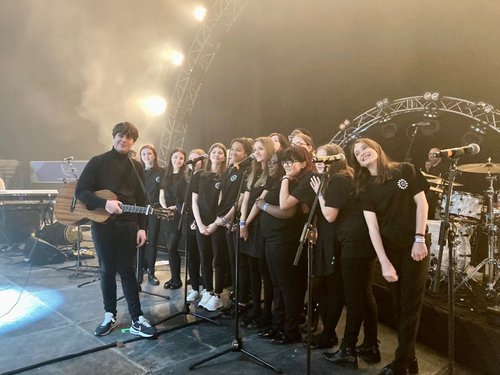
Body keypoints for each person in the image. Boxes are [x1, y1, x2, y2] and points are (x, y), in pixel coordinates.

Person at [351, 138, 429, 375]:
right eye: (356, 153)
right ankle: (410, 360)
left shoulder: (405, 170)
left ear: (376, 149)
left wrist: (419, 238)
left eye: (365, 147)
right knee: (399, 306)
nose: (362, 153)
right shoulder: (364, 188)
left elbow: (422, 204)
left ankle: (400, 363)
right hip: (390, 251)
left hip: (414, 246)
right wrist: (383, 262)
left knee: (410, 305)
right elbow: (372, 228)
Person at [75, 122, 157, 338]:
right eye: (121, 136)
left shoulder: (136, 166)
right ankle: (109, 315)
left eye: (129, 138)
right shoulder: (98, 162)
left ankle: (137, 318)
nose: (124, 140)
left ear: (133, 142)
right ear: (114, 137)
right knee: (107, 270)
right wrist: (105, 204)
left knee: (129, 272)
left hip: (129, 225)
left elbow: (142, 199)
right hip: (103, 225)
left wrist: (143, 228)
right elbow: (80, 191)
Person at [310, 144, 379, 368]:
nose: (320, 162)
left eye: (324, 158)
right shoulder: (346, 177)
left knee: (354, 297)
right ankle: (370, 344)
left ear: (335, 159)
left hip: (353, 242)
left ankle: (348, 350)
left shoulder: (339, 179)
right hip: (360, 241)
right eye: (317, 159)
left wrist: (319, 192)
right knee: (364, 293)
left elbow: (329, 216)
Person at [239, 136, 276, 328]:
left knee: (264, 272)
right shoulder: (251, 173)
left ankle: (267, 313)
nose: (257, 152)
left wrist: (246, 223)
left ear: (268, 150)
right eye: (255, 149)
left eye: (261, 148)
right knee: (252, 269)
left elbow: (259, 203)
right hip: (248, 225)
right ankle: (255, 310)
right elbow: (245, 199)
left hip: (261, 226)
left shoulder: (272, 173)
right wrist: (242, 221)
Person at [191, 142, 228, 312]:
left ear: (224, 157)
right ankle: (207, 290)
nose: (217, 154)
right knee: (204, 257)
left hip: (218, 223)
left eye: (220, 152)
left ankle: (218, 294)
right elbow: (194, 202)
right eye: (214, 151)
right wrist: (199, 223)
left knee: (218, 259)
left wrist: (214, 224)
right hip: (201, 222)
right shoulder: (199, 175)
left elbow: (227, 203)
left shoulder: (226, 176)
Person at [160, 148, 188, 290]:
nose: (178, 160)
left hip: (178, 215)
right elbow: (162, 193)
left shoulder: (185, 177)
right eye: (176, 157)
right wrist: (164, 207)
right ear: (171, 158)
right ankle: (174, 278)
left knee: (172, 247)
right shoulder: (166, 174)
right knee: (169, 249)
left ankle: (177, 280)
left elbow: (185, 198)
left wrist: (175, 208)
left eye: (181, 158)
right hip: (166, 214)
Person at [138, 144, 165, 286]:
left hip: (155, 210)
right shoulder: (138, 172)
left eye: (149, 153)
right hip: (140, 211)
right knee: (140, 240)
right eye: (144, 154)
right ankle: (139, 271)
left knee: (152, 241)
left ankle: (151, 272)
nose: (147, 156)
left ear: (154, 155)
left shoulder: (162, 172)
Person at [184, 148, 207, 302]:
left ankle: (206, 287)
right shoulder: (187, 178)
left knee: (204, 256)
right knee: (192, 256)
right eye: (191, 159)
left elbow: (204, 202)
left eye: (196, 159)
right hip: (188, 222)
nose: (193, 162)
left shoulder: (206, 177)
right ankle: (194, 288)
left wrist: (197, 221)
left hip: (202, 220)